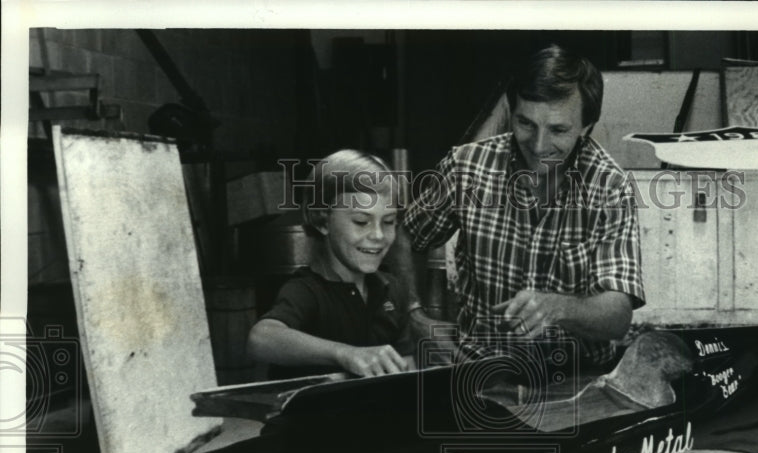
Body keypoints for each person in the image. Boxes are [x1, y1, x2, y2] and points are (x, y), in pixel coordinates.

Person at [395, 44, 645, 370]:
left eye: (558, 130)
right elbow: (401, 236)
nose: (539, 146)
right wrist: (415, 317)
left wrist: (559, 308)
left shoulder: (611, 187)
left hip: (577, 379)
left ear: (586, 127)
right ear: (511, 112)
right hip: (479, 374)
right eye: (525, 123)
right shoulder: (466, 167)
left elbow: (618, 316)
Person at [247, 149, 412, 379]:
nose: (378, 235)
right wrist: (345, 354)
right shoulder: (306, 291)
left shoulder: (391, 289)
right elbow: (261, 339)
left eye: (388, 221)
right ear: (322, 220)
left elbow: (406, 366)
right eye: (361, 221)